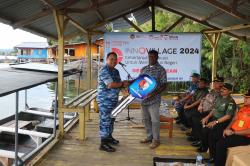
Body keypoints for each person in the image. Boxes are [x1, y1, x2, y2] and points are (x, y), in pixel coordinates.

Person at [97, 52, 129, 152]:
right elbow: (110, 85)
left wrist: (126, 86)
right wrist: (122, 83)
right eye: (111, 59)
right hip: (104, 101)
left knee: (111, 119)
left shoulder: (116, 71)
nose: (113, 61)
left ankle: (109, 137)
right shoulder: (104, 70)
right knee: (105, 121)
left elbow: (119, 85)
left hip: (113, 100)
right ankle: (103, 143)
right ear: (106, 60)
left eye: (115, 59)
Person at [199, 83, 237, 163]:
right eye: (222, 88)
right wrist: (207, 117)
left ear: (230, 91)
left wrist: (215, 122)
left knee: (213, 135)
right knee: (204, 129)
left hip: (222, 122)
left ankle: (213, 157)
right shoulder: (219, 98)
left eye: (225, 89)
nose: (222, 90)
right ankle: (205, 149)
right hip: (214, 119)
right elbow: (214, 109)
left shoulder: (231, 102)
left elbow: (228, 116)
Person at [139, 50, 167, 149]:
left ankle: (156, 140)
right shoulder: (144, 69)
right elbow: (140, 83)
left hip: (154, 100)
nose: (151, 58)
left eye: (153, 57)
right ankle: (149, 136)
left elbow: (164, 85)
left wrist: (153, 93)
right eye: (149, 56)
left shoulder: (161, 70)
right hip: (143, 100)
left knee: (155, 120)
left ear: (157, 57)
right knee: (146, 119)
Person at [215, 89, 250, 166]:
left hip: (244, 137)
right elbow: (234, 119)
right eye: (244, 97)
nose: (244, 99)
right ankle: (214, 159)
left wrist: (233, 132)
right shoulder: (243, 107)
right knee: (215, 134)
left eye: (247, 98)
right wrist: (227, 128)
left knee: (220, 144)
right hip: (233, 131)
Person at [191, 76, 224, 147]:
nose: (214, 84)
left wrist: (207, 114)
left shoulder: (221, 94)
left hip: (209, 113)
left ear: (221, 84)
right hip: (202, 110)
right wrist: (200, 105)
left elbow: (215, 108)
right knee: (193, 117)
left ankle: (202, 143)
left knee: (198, 121)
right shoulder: (212, 91)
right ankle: (197, 138)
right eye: (214, 82)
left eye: (217, 82)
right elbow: (203, 99)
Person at [184, 78, 208, 142]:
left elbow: (198, 102)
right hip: (194, 106)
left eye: (201, 83)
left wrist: (188, 107)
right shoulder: (197, 89)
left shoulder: (205, 92)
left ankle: (196, 136)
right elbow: (192, 97)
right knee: (187, 113)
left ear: (205, 84)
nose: (199, 84)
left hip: (199, 108)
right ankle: (193, 132)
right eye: (199, 83)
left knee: (193, 117)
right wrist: (186, 104)